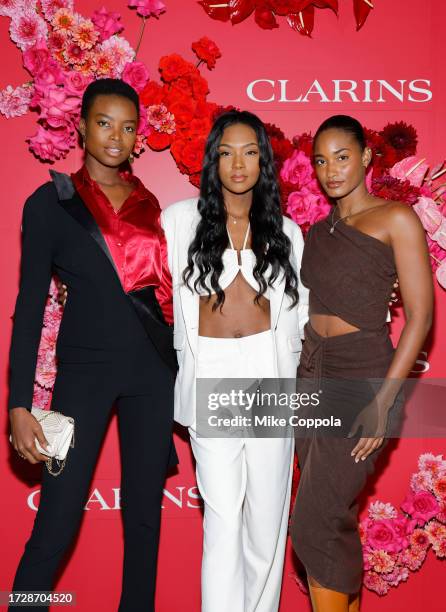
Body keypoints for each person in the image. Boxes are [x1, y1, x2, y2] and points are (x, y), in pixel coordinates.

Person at [8, 78, 176, 612]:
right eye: (104, 123)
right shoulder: (51, 202)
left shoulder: (153, 205)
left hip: (152, 375)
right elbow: (30, 307)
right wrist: (17, 404)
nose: (116, 136)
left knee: (145, 519)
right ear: (80, 126)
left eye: (128, 127)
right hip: (83, 375)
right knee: (57, 518)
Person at [161, 110, 309, 612]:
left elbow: (305, 312)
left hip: (269, 374)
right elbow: (147, 286)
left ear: (262, 161)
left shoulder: (287, 230)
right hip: (213, 373)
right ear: (213, 160)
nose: (238, 163)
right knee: (223, 516)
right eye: (226, 152)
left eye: (249, 152)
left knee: (267, 519)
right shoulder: (181, 219)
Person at [289, 115, 433, 611]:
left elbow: (419, 317)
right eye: (322, 161)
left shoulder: (396, 219)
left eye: (343, 156)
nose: (331, 170)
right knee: (333, 519)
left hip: (363, 377)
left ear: (368, 157)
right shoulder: (316, 232)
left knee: (315, 520)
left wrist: (383, 401)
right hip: (311, 374)